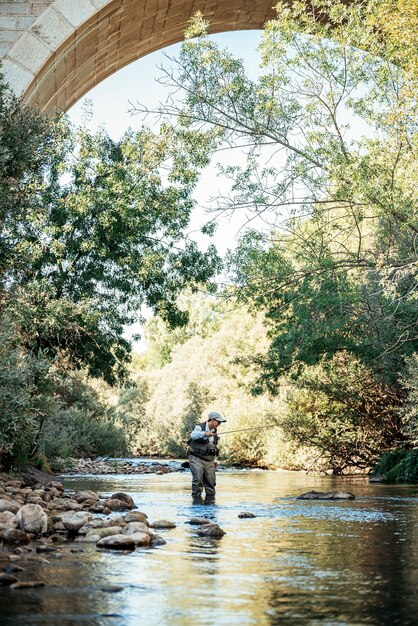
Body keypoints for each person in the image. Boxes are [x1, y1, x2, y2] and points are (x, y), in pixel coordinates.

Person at [187, 411, 226, 503]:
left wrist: (215, 460)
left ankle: (210, 505)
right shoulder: (199, 427)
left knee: (211, 483)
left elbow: (214, 446)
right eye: (218, 421)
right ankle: (196, 503)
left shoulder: (214, 431)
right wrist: (204, 433)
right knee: (198, 480)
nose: (219, 424)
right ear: (212, 420)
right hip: (196, 458)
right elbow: (193, 435)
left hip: (209, 460)